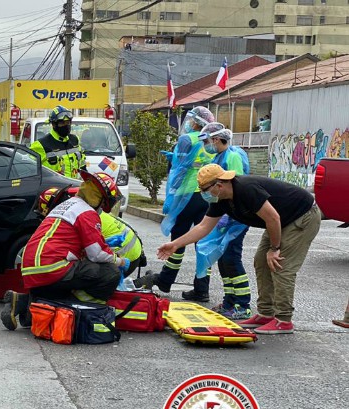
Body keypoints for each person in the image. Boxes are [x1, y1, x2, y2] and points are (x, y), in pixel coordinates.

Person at [155, 164, 321, 334]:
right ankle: (265, 313)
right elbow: (203, 227)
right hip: (280, 220)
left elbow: (273, 217)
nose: (203, 194)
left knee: (280, 265)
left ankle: (283, 320)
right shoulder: (221, 199)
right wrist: (175, 244)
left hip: (302, 216)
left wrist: (275, 248)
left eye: (204, 189)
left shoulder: (246, 189)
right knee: (261, 261)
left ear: (218, 185)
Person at [1, 171, 129, 330]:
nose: (102, 209)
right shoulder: (87, 213)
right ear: (98, 199)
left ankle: (23, 303)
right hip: (52, 266)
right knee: (110, 272)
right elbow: (96, 254)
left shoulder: (66, 205)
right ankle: (79, 310)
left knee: (77, 275)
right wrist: (119, 260)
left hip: (32, 268)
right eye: (103, 204)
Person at [135, 106, 216, 301]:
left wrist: (170, 199)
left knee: (177, 241)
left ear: (195, 122)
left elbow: (178, 172)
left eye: (190, 120)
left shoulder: (187, 139)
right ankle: (201, 289)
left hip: (187, 196)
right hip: (207, 196)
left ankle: (165, 280)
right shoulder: (211, 139)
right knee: (203, 243)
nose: (188, 123)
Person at [191, 123, 252, 320]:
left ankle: (242, 304)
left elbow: (237, 186)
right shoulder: (219, 156)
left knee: (232, 258)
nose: (205, 145)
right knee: (223, 260)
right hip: (226, 215)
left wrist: (228, 215)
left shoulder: (232, 155)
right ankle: (229, 301)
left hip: (236, 216)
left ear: (216, 139)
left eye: (206, 141)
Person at [28, 105, 85, 179]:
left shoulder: (75, 140)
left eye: (68, 122)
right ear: (54, 124)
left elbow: (82, 165)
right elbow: (29, 169)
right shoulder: (41, 145)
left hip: (75, 187)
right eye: (62, 123)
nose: (66, 126)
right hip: (54, 188)